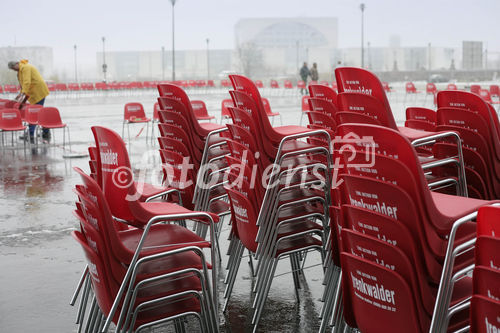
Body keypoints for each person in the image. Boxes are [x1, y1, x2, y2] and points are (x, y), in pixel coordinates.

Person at [8, 60, 50, 143]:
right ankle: (45, 132)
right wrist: (21, 93)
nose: (14, 70)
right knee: (37, 112)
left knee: (35, 112)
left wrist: (22, 94)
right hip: (34, 93)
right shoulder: (20, 70)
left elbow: (27, 82)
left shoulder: (25, 68)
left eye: (13, 68)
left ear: (16, 64)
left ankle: (32, 133)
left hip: (38, 91)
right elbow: (23, 84)